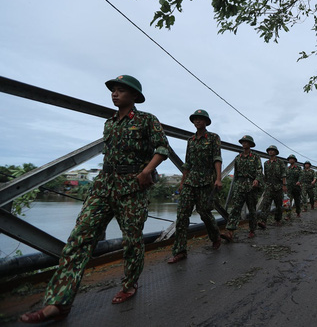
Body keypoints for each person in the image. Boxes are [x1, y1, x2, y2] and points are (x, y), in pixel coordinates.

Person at [19, 75, 169, 324]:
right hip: (103, 186)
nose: (115, 94)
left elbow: (162, 148)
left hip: (132, 187)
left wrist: (145, 172)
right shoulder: (109, 123)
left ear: (134, 96)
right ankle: (59, 302)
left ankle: (130, 284)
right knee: (79, 239)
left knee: (132, 240)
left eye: (121, 91)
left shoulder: (146, 120)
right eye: (113, 90)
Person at [167, 110, 226, 264]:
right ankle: (180, 251)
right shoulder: (191, 140)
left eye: (201, 119)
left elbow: (217, 158)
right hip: (190, 181)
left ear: (206, 122)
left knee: (204, 213)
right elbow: (187, 163)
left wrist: (218, 178)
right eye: (195, 119)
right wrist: (182, 182)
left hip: (206, 181)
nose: (198, 121)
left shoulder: (213, 138)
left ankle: (215, 237)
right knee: (182, 215)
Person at [224, 135, 264, 239]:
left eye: (246, 142)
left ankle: (252, 229)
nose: (244, 144)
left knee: (252, 209)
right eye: (243, 142)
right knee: (235, 208)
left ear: (250, 144)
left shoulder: (255, 157)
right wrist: (235, 185)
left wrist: (257, 180)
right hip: (240, 185)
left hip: (251, 185)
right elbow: (236, 174)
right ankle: (230, 231)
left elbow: (259, 170)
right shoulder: (238, 158)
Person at [257, 145, 287, 228]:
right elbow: (265, 175)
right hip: (269, 186)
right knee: (266, 203)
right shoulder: (266, 163)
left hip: (278, 185)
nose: (270, 151)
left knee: (278, 204)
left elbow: (284, 174)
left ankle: (278, 220)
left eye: (272, 150)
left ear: (276, 152)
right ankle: (263, 221)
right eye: (269, 150)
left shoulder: (280, 162)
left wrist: (284, 185)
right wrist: (264, 184)